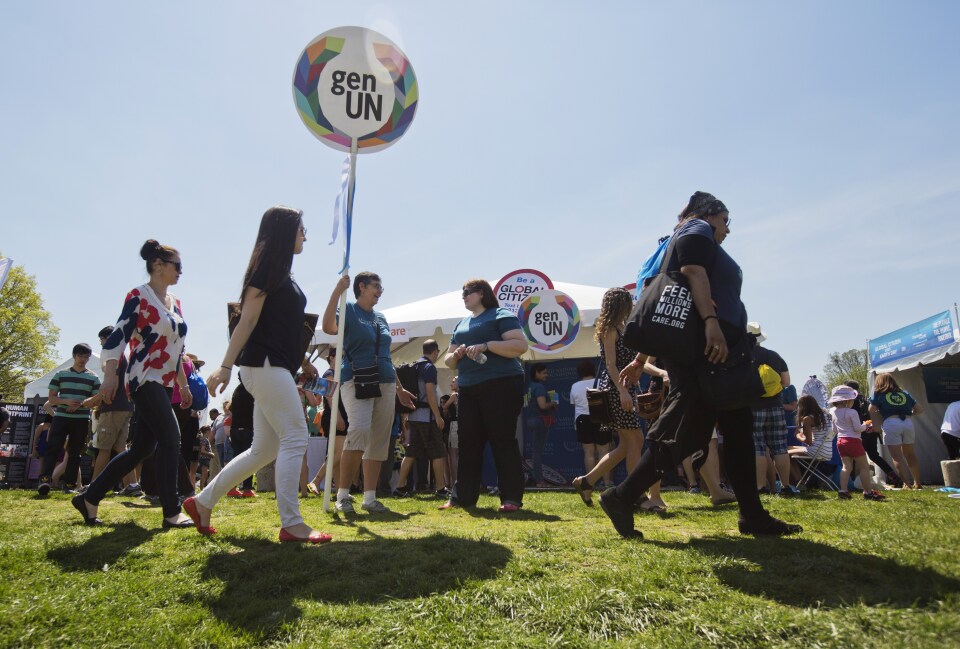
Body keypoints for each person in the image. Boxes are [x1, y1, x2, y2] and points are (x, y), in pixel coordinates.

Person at [599, 191, 801, 538]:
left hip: (716, 350)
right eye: (726, 220)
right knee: (688, 431)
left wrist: (641, 358)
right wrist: (710, 322)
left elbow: (666, 296)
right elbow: (690, 271)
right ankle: (622, 496)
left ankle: (752, 515)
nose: (727, 229)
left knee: (736, 428)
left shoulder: (687, 235)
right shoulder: (696, 228)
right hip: (707, 351)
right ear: (711, 214)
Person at [189, 206, 331, 544]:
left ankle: (201, 502)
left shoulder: (281, 274)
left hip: (274, 367)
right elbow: (247, 320)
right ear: (285, 232)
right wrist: (224, 366)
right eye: (301, 230)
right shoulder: (267, 269)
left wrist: (301, 363)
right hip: (263, 367)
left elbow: (275, 327)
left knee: (263, 450)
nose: (305, 236)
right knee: (296, 437)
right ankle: (292, 523)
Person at [72, 240, 194, 528]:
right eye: (178, 265)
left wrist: (183, 385)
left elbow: (177, 348)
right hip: (143, 376)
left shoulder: (175, 302)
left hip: (164, 382)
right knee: (170, 438)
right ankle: (171, 511)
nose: (181, 271)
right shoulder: (139, 295)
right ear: (158, 266)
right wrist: (111, 374)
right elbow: (119, 335)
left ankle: (89, 498)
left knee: (141, 450)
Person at [322, 271, 416, 515]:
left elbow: (386, 355)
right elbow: (328, 327)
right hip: (356, 379)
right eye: (376, 286)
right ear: (361, 287)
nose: (380, 291)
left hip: (384, 380)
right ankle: (343, 495)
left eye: (381, 287)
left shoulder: (381, 317)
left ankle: (370, 498)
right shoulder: (349, 309)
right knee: (359, 430)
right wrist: (336, 291)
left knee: (379, 440)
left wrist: (399, 388)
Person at [573, 288, 666, 512]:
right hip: (617, 390)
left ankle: (586, 482)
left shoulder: (625, 328)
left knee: (627, 445)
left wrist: (660, 373)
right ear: (621, 305)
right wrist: (623, 392)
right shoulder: (610, 329)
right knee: (635, 440)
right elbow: (611, 365)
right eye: (628, 303)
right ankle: (635, 495)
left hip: (626, 389)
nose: (632, 306)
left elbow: (638, 363)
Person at [441, 279, 529, 512]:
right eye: (462, 293)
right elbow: (448, 361)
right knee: (468, 443)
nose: (463, 296)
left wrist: (486, 345)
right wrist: (457, 354)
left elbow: (520, 345)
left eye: (467, 292)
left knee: (503, 440)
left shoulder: (501, 315)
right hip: (468, 389)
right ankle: (462, 498)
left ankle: (511, 498)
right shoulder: (461, 324)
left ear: (481, 293)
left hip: (502, 384)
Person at [38, 343, 101, 496]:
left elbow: (96, 400)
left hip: (81, 418)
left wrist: (79, 404)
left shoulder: (93, 377)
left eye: (86, 357)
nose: (83, 360)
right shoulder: (60, 374)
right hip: (61, 417)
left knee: (75, 452)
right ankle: (44, 480)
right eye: (80, 356)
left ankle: (69, 484)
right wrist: (66, 402)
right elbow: (51, 399)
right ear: (74, 356)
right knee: (53, 448)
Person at [395, 340, 449, 497]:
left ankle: (400, 487)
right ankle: (441, 489)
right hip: (427, 417)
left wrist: (406, 415)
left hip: (413, 415)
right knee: (438, 451)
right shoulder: (429, 367)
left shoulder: (414, 365)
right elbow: (430, 393)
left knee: (411, 452)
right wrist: (438, 416)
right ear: (435, 352)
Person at [91, 326, 139, 494]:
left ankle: (94, 485)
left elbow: (112, 385)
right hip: (125, 407)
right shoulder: (123, 355)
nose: (102, 344)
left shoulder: (113, 356)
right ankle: (132, 485)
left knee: (104, 447)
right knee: (121, 448)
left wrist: (95, 401)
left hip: (113, 407)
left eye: (102, 340)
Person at [830, 385, 886, 500]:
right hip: (853, 441)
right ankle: (868, 491)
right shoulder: (852, 412)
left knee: (846, 467)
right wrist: (866, 425)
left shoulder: (833, 412)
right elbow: (857, 428)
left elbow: (834, 430)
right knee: (864, 467)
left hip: (840, 441)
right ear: (847, 400)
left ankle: (843, 490)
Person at [869, 373, 923, 489]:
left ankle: (906, 484)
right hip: (907, 422)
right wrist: (909, 415)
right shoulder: (904, 393)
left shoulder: (879, 394)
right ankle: (917, 483)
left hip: (890, 423)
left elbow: (871, 409)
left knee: (897, 456)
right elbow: (919, 409)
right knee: (910, 454)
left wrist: (876, 426)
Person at [307, 347, 350, 495]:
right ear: (331, 357)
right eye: (340, 356)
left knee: (337, 454)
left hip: (338, 414)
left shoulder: (337, 374)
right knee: (339, 453)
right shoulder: (329, 374)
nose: (343, 359)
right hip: (335, 415)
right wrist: (337, 416)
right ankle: (316, 480)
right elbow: (330, 397)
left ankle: (339, 492)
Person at [569, 360, 613, 495]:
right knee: (604, 452)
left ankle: (589, 482)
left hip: (582, 419)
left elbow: (573, 402)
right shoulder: (601, 382)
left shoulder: (575, 386)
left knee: (588, 452)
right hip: (600, 417)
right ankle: (607, 483)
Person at [846, 379, 901, 487]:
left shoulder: (850, 401)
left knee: (851, 457)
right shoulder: (867, 399)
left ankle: (850, 482)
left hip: (858, 432)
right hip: (871, 431)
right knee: (874, 456)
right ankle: (894, 477)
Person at [789, 394, 837, 486]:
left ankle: (799, 482)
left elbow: (808, 442)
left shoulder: (808, 419)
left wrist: (798, 436)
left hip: (816, 450)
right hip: (827, 450)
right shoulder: (827, 415)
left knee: (785, 454)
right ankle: (799, 481)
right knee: (790, 448)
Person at [525, 362, 558, 488]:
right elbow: (543, 406)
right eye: (544, 373)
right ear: (536, 373)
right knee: (537, 452)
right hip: (539, 421)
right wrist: (553, 403)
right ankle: (539, 481)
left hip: (531, 420)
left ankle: (537, 480)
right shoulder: (539, 387)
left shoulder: (531, 386)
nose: (546, 375)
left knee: (535, 451)